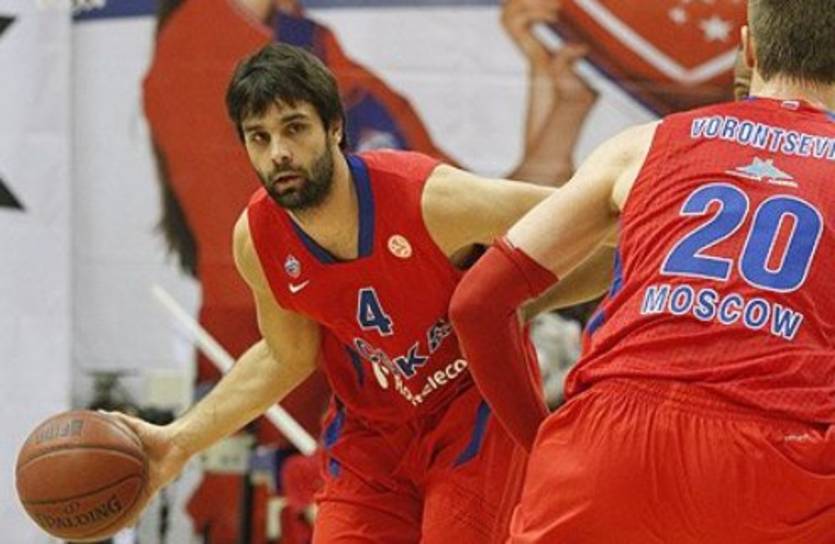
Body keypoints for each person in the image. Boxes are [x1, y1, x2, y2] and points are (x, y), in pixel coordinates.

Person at [120, 42, 610, 543]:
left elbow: (599, 217)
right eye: (259, 137)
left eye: (295, 128)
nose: (278, 152)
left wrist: (522, 299)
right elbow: (286, 356)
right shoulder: (258, 239)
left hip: (475, 419)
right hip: (371, 436)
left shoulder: (431, 199)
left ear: (334, 126)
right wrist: (179, 441)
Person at [450, 0, 835, 541]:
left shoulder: (642, 144)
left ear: (748, 48)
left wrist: (543, 440)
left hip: (602, 451)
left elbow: (476, 303)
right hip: (768, 461)